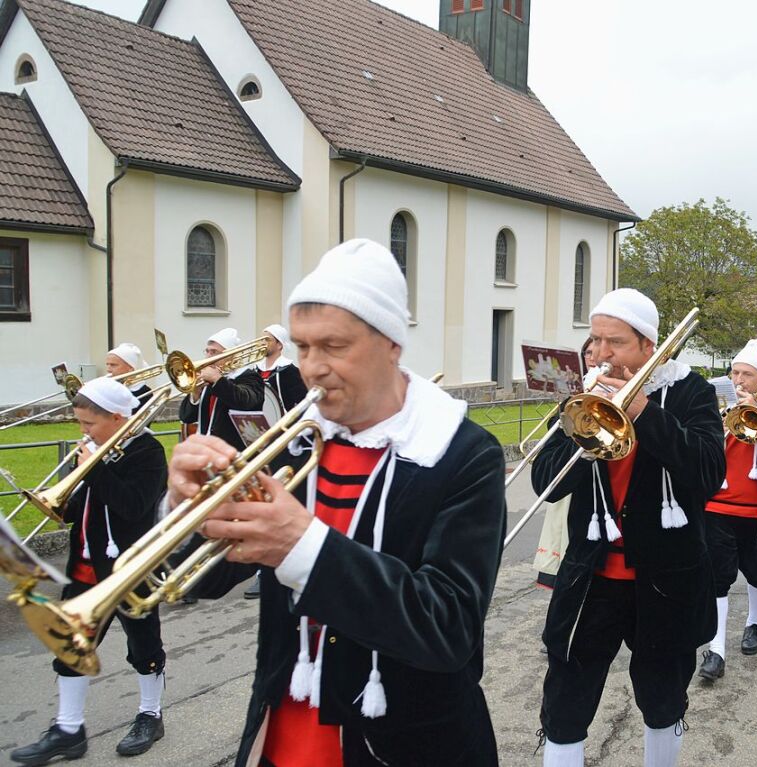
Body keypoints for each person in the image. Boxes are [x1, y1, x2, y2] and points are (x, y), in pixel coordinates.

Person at [165, 239, 507, 766]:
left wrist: (302, 546)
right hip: (283, 733)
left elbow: (449, 627)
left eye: (334, 346)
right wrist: (184, 509)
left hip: (406, 744)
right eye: (302, 347)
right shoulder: (294, 441)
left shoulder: (463, 453)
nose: (312, 367)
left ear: (392, 343)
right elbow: (207, 580)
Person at [532, 288, 725, 767]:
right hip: (590, 578)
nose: (599, 353)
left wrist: (643, 412)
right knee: (566, 702)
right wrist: (586, 424)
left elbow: (707, 473)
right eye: (594, 340)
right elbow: (546, 485)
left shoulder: (689, 392)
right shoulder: (587, 394)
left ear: (650, 346)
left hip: (666, 579)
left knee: (662, 700)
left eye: (613, 342)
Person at [11, 378, 169, 765]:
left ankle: (150, 714)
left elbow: (133, 506)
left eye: (88, 424)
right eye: (80, 423)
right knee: (71, 645)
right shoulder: (95, 448)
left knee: (143, 645)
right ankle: (68, 729)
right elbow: (80, 507)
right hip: (84, 564)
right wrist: (61, 498)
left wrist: (93, 469)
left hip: (129, 567)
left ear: (117, 418)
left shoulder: (147, 451)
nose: (82, 431)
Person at [698, 339, 757, 683]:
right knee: (718, 578)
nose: (738, 379)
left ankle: (753, 624)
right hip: (717, 506)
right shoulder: (718, 404)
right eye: (735, 372)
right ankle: (717, 649)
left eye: (746, 374)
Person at [244, 324, 310, 600]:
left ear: (279, 344)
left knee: (279, 499)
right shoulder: (251, 372)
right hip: (258, 440)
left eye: (267, 339)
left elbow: (300, 404)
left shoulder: (290, 371)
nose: (262, 342)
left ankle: (271, 567)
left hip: (285, 441)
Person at [532, 337, 595, 589]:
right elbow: (556, 434)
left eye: (596, 352)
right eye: (588, 352)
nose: (593, 357)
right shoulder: (575, 392)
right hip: (570, 478)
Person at [178, 328, 265, 452]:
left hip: (236, 452)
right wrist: (195, 393)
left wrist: (217, 380)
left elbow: (245, 402)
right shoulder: (208, 380)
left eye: (214, 352)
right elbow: (186, 417)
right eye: (207, 351)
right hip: (206, 450)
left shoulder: (249, 377)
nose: (208, 356)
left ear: (230, 355)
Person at [106, 342, 152, 411]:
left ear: (131, 368)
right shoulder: (109, 386)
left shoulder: (144, 392)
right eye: (107, 364)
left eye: (113, 365)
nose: (108, 369)